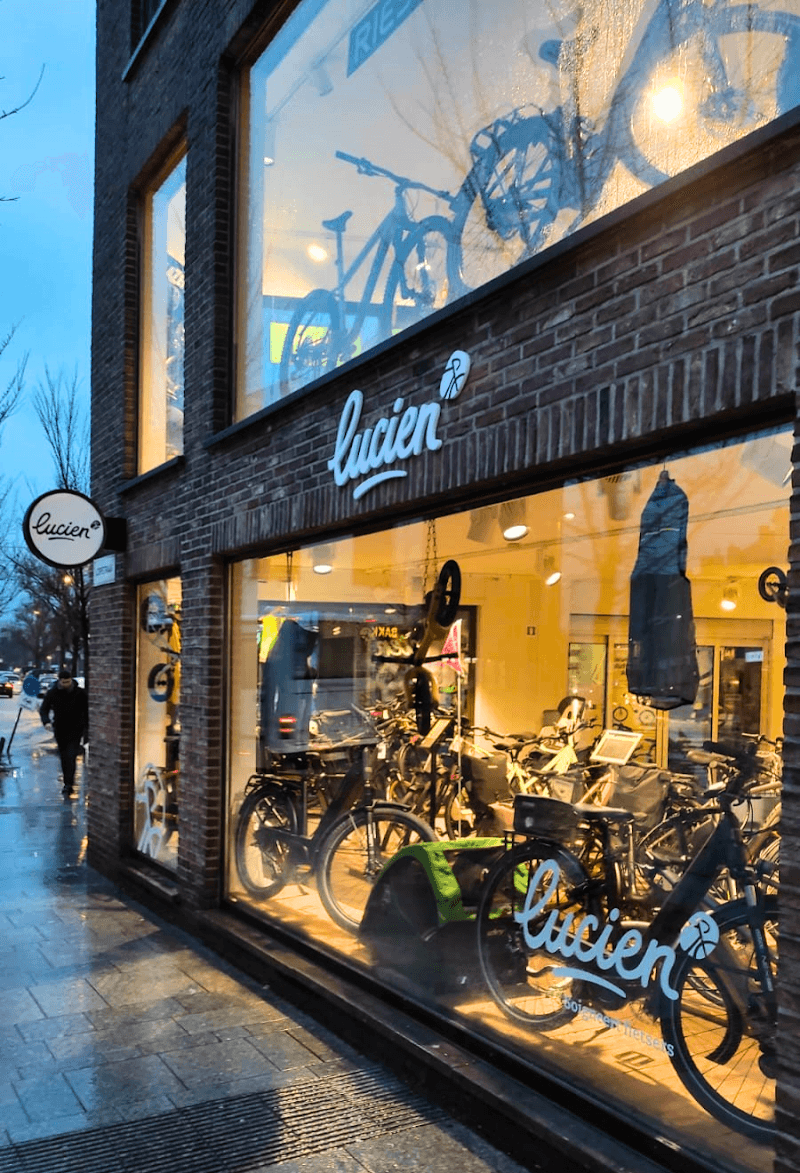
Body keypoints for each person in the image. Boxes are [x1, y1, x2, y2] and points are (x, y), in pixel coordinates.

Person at [40, 669, 89, 798]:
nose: (66, 684)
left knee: (71, 755)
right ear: (59, 681)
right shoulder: (53, 693)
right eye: (63, 682)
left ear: (71, 680)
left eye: (68, 682)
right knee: (64, 756)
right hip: (60, 729)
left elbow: (87, 710)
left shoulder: (80, 693)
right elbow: (44, 709)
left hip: (76, 729)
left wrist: (86, 728)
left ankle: (69, 783)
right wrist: (46, 722)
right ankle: (67, 781)